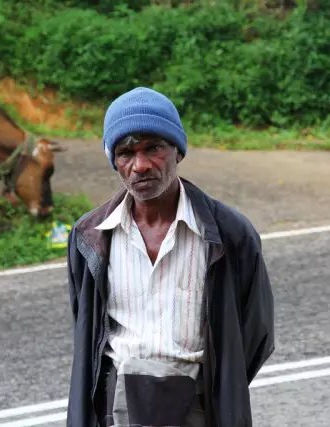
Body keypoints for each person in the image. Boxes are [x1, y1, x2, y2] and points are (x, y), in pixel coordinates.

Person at [66, 87, 275, 427]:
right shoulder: (90, 236)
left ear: (177, 150)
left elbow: (255, 333)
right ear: (114, 161)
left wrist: (217, 390)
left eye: (153, 148)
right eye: (125, 152)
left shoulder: (230, 234)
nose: (140, 165)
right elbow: (87, 331)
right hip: (116, 405)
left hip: (196, 406)